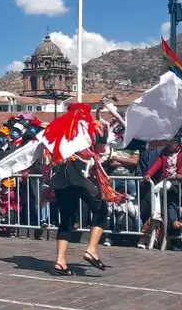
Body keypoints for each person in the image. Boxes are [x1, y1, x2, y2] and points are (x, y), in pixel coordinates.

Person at [46, 104, 125, 276]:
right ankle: (91, 250)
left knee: (67, 217)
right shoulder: (91, 127)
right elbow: (101, 149)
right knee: (101, 209)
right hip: (80, 176)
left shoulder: (57, 127)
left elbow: (44, 149)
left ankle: (60, 261)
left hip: (61, 176)